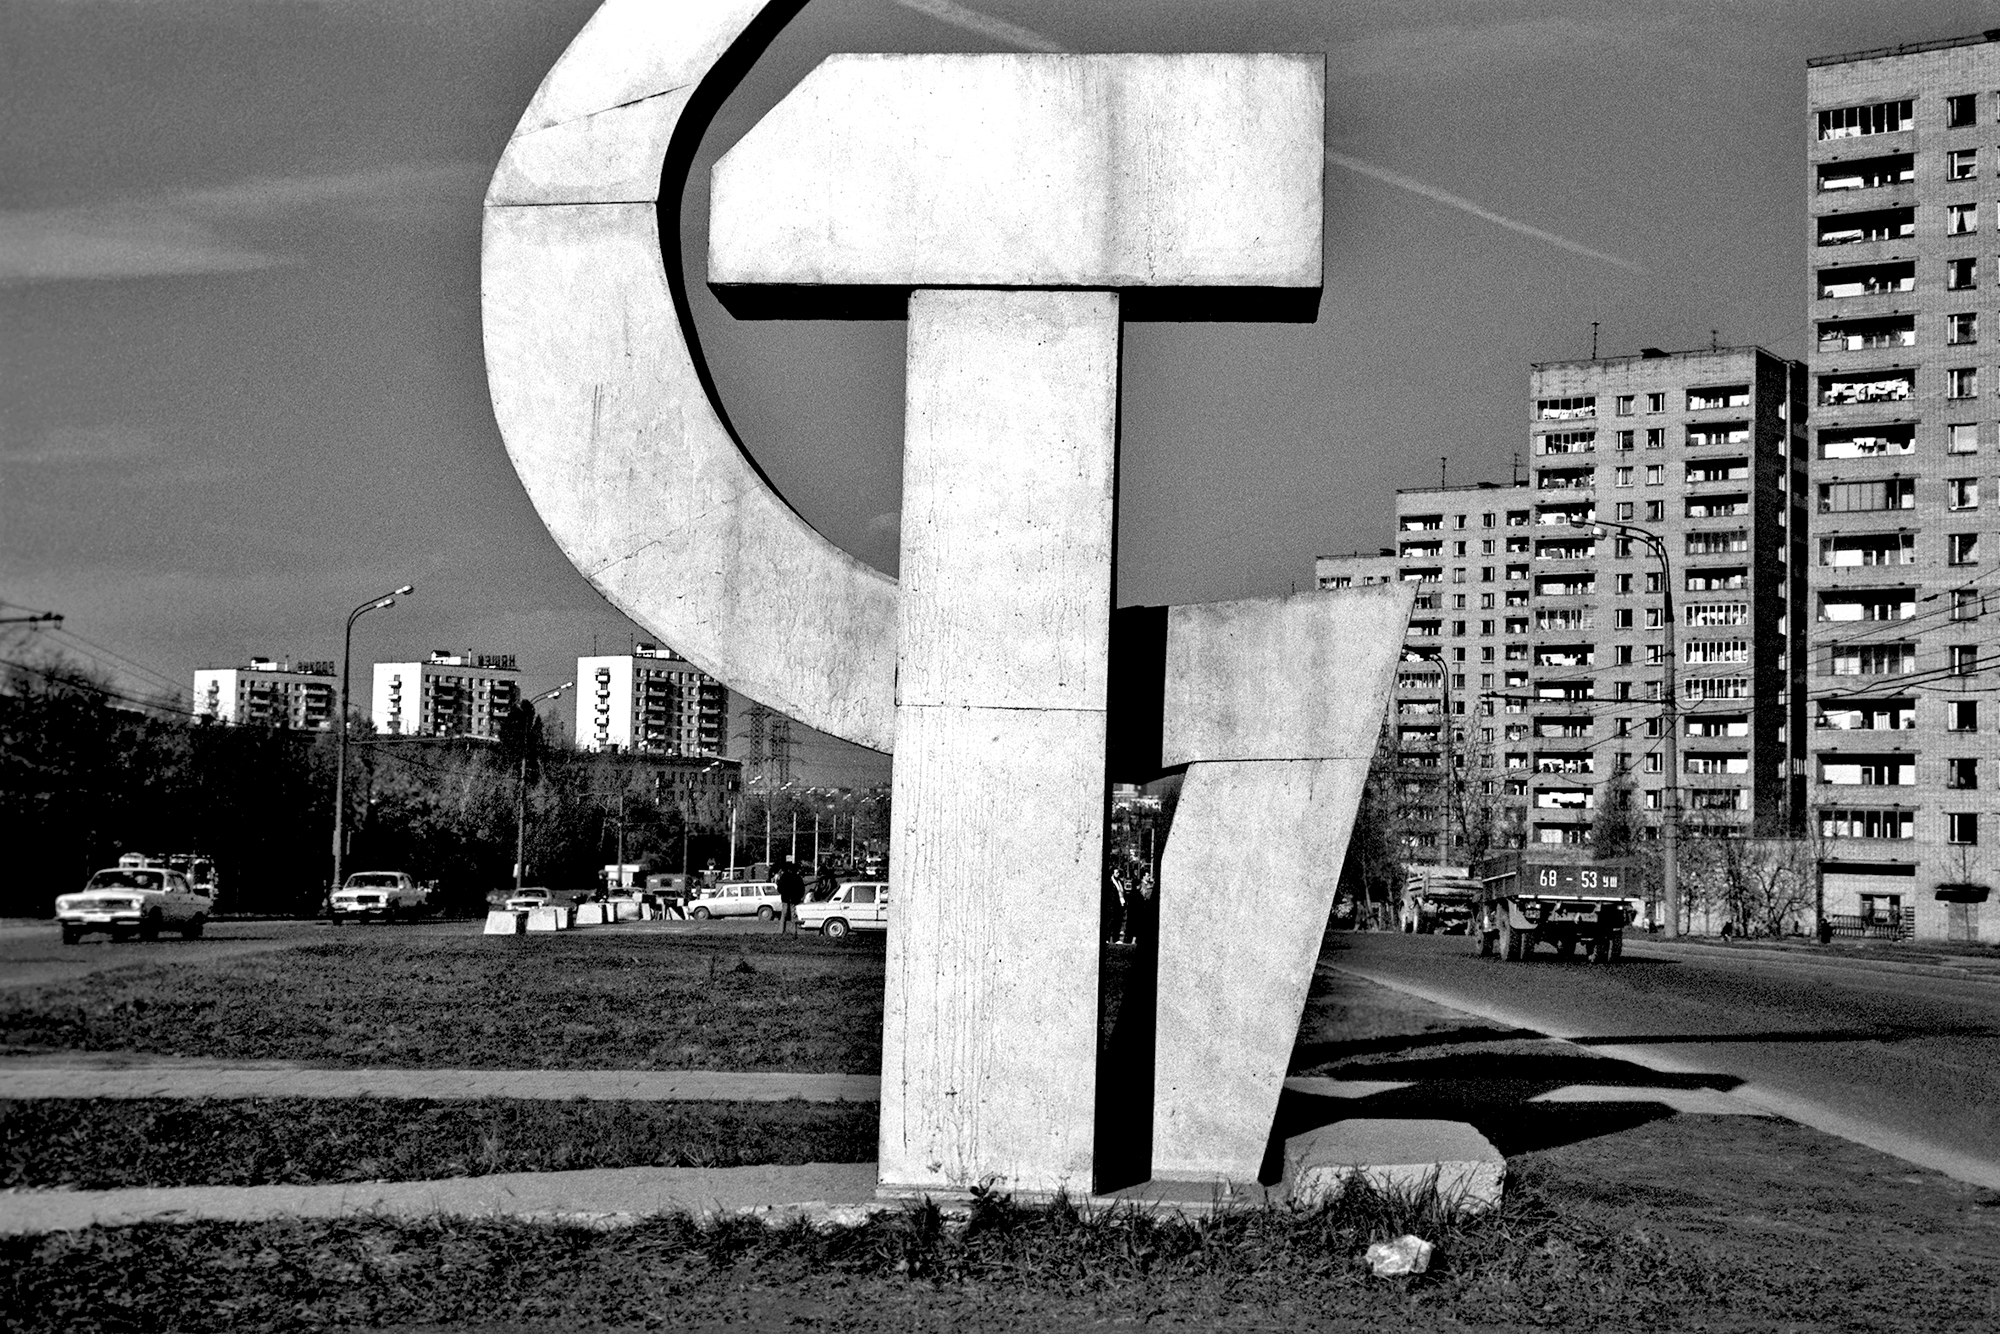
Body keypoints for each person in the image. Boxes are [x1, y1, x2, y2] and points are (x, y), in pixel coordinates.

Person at [776, 859, 805, 935]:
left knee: (784, 915)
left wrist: (783, 893)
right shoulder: (798, 878)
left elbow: (779, 888)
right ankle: (794, 931)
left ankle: (781, 930)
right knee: (793, 915)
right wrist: (799, 897)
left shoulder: (784, 877)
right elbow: (801, 888)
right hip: (794, 899)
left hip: (785, 898)